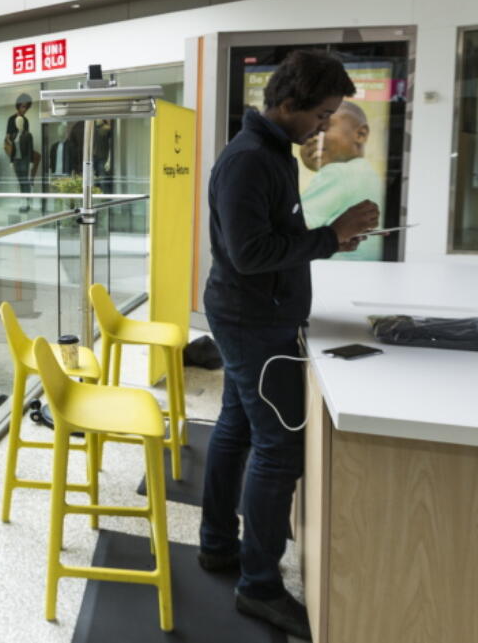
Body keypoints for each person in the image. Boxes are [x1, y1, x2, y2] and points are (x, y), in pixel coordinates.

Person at [199, 50, 379, 640]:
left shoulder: (270, 154)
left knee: (238, 427)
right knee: (279, 450)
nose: (325, 127)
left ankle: (219, 546)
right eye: (322, 114)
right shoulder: (250, 160)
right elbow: (251, 257)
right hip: (254, 321)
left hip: (256, 315)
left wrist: (327, 240)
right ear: (288, 103)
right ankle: (258, 586)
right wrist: (330, 234)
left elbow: (272, 237)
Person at [299, 100, 385, 260]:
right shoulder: (366, 174)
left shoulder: (337, 173)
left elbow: (296, 229)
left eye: (324, 127)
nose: (313, 137)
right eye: (313, 131)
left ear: (361, 134)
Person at [5, 95, 35, 211]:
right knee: (20, 180)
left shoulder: (26, 123)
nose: (24, 109)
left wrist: (31, 160)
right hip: (15, 155)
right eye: (23, 106)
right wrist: (12, 158)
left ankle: (26, 202)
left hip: (24, 157)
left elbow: (28, 143)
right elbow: (7, 137)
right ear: (18, 106)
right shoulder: (11, 120)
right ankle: (23, 202)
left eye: (26, 107)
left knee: (25, 180)